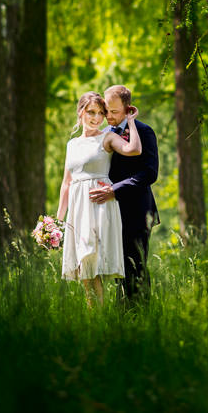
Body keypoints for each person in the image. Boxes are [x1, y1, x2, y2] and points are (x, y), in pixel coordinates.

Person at [56, 91, 141, 305]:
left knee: (92, 260)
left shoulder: (107, 137)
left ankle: (101, 318)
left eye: (100, 113)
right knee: (86, 267)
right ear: (81, 112)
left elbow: (134, 149)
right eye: (91, 112)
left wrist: (131, 121)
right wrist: (58, 220)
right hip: (77, 209)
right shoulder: (72, 144)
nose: (96, 118)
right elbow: (66, 182)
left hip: (99, 205)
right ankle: (95, 319)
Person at [89, 85, 159, 305]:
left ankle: (137, 316)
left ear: (129, 110)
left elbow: (149, 172)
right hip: (108, 210)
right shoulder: (102, 135)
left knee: (134, 264)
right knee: (115, 266)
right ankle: (117, 317)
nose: (108, 116)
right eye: (106, 110)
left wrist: (115, 190)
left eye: (115, 112)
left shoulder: (143, 131)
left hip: (136, 209)